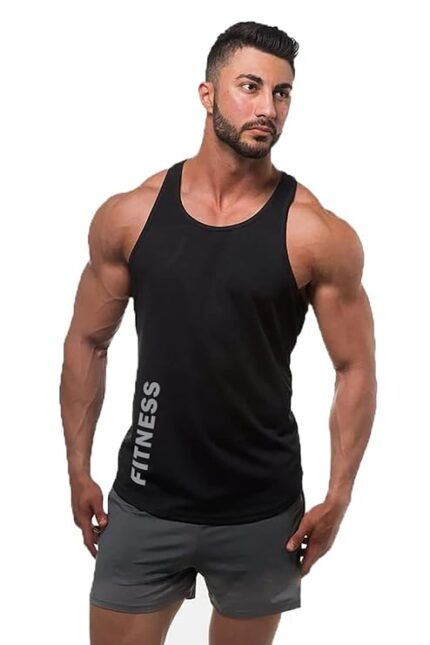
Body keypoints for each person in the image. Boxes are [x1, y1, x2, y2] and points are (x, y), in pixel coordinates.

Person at [60, 20, 377, 645]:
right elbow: (87, 342)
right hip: (147, 496)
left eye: (282, 93)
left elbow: (355, 367)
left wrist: (339, 495)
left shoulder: (316, 233)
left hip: (262, 510)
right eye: (250, 87)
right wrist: (77, 468)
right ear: (207, 94)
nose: (268, 109)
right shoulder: (132, 216)